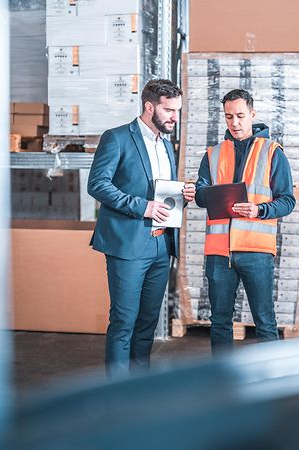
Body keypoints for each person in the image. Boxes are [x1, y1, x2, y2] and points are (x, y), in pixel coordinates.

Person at [88, 79, 195, 376]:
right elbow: (97, 184)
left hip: (161, 245)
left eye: (178, 110)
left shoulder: (166, 145)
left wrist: (182, 197)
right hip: (129, 243)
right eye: (169, 110)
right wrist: (141, 206)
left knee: (148, 322)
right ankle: (117, 392)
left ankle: (139, 386)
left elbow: (162, 195)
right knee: (124, 321)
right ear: (150, 107)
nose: (175, 116)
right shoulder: (117, 138)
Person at [195, 89, 295, 353]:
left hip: (256, 252)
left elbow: (287, 200)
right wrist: (199, 193)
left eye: (240, 115)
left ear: (253, 114)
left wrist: (258, 210)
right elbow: (200, 195)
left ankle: (272, 381)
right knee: (219, 322)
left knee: (265, 322)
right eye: (229, 117)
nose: (235, 123)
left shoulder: (273, 152)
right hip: (219, 253)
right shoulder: (212, 154)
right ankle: (222, 382)